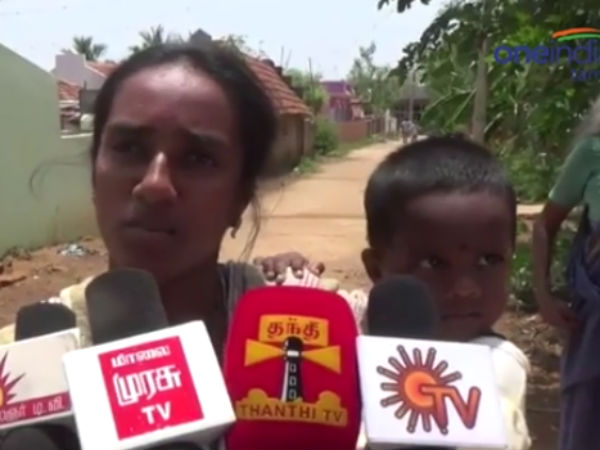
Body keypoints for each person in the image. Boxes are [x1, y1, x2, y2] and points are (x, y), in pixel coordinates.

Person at [0, 42, 323, 354]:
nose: (154, 185)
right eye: (129, 148)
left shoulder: (313, 335)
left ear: (240, 196)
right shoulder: (22, 364)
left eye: (197, 158)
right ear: (95, 174)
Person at [262, 136, 532, 449]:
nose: (465, 289)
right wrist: (289, 277)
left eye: (489, 260)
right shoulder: (356, 322)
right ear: (376, 270)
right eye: (434, 264)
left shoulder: (497, 369)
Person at [532, 97, 600, 450]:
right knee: (587, 410)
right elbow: (544, 225)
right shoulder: (592, 152)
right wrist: (544, 296)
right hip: (594, 313)